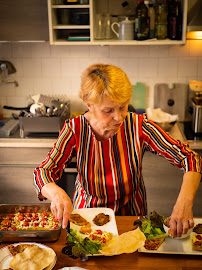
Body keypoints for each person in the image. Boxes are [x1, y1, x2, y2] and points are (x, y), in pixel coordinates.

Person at [33, 63, 202, 238]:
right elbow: (43, 172)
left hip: (131, 217)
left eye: (123, 107)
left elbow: (190, 158)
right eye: (108, 111)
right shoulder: (75, 129)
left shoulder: (139, 126)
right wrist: (57, 193)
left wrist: (184, 202)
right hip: (87, 218)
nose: (119, 117)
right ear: (89, 104)